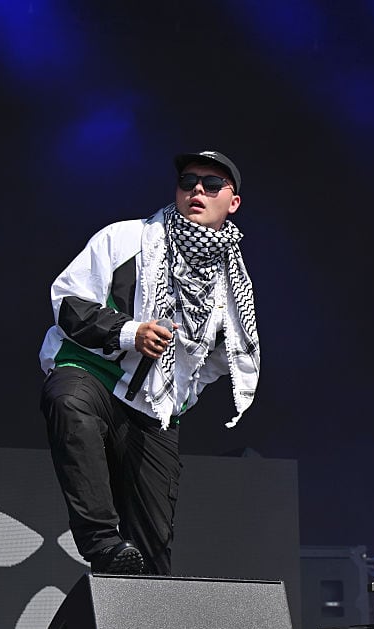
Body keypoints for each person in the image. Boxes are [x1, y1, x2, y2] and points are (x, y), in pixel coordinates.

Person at [39, 150, 260, 576]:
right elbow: (68, 303)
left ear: (232, 203)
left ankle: (140, 624)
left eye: (212, 185)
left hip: (153, 408)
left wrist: (181, 394)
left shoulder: (231, 280)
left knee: (152, 554)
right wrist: (130, 332)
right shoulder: (124, 238)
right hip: (92, 373)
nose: (197, 189)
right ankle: (100, 540)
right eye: (188, 181)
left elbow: (222, 355)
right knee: (69, 401)